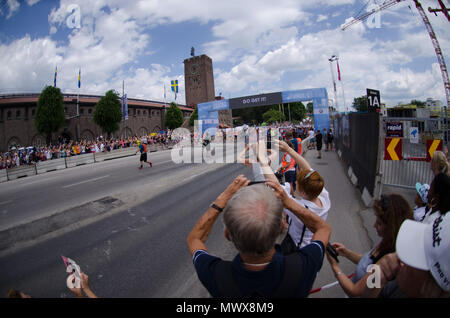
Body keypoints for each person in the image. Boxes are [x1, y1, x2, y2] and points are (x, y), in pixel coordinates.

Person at [187, 174, 331, 297]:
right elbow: (323, 228)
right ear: (281, 227)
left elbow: (195, 238)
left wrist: (223, 199)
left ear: (227, 235)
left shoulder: (216, 276)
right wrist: (288, 202)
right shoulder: (304, 267)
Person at [325, 194, 413, 297]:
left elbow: (354, 291)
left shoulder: (387, 264)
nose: (374, 225)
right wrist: (347, 253)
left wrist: (335, 266)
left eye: (379, 223)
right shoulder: (386, 242)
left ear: (391, 228)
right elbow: (368, 261)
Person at [361, 213, 450, 298]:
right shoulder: (404, 283)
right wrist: (376, 280)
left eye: (416, 256)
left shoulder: (408, 281)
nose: (399, 259)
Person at [270, 140, 331, 254]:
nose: (296, 182)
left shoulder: (300, 208)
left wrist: (263, 163)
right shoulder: (323, 196)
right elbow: (308, 168)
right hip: (313, 247)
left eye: (297, 182)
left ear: (302, 193)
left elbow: (277, 187)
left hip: (297, 249)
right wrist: (289, 150)